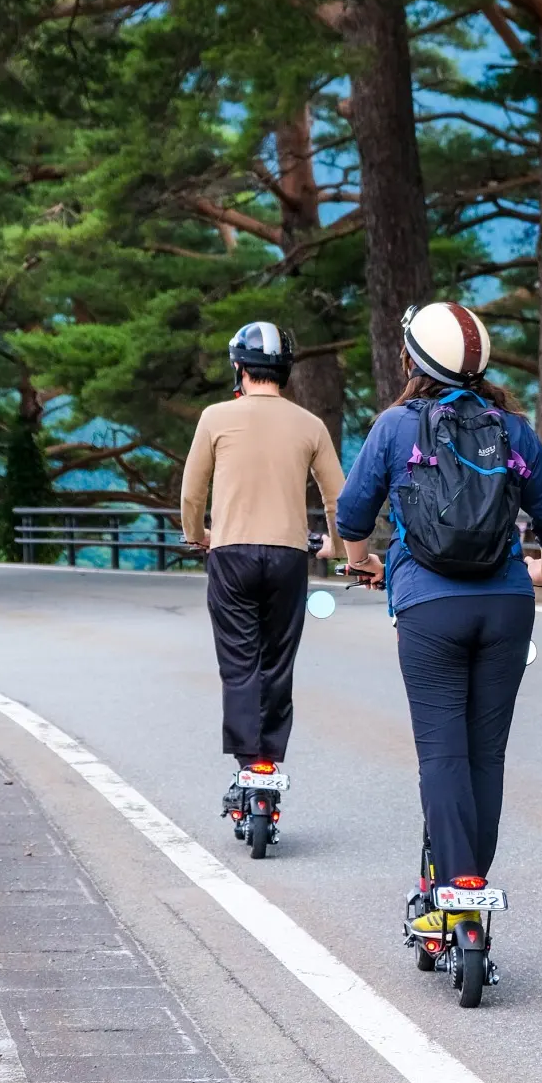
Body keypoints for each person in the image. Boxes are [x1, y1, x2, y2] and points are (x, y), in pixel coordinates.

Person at [335, 301, 542, 936]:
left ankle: (450, 887)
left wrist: (362, 565)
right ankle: (473, 885)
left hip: (428, 605)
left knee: (441, 754)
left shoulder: (394, 427)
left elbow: (353, 515)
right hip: (506, 604)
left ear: (414, 360)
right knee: (485, 754)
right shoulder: (512, 428)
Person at [181, 321, 345, 798]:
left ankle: (247, 764)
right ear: (285, 372)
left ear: (239, 368)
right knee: (277, 660)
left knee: (239, 661)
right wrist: (335, 544)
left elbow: (192, 494)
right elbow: (337, 498)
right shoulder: (309, 424)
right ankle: (269, 761)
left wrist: (198, 537)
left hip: (230, 552)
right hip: (289, 555)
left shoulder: (214, 418)